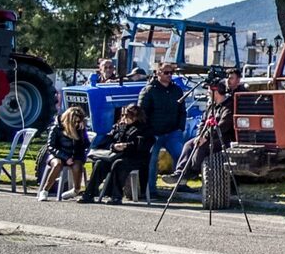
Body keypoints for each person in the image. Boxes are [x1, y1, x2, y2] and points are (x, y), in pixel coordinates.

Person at [167, 78, 233, 191]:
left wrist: (205, 137)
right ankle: (180, 172)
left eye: (209, 90)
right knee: (189, 144)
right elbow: (203, 122)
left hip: (222, 139)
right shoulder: (211, 106)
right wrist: (199, 136)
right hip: (206, 136)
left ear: (216, 92)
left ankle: (192, 171)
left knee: (202, 147)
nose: (207, 93)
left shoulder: (228, 107)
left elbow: (222, 126)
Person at [136, 62, 186, 202]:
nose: (169, 75)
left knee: (181, 155)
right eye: (166, 73)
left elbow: (182, 111)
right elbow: (141, 114)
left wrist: (180, 127)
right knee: (152, 160)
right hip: (154, 133)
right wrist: (148, 131)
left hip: (172, 132)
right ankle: (151, 190)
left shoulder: (177, 90)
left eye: (171, 73)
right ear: (157, 73)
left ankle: (180, 184)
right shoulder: (148, 91)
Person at [81, 104, 147, 204]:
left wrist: (126, 146)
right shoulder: (119, 126)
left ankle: (116, 196)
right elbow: (107, 141)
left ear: (135, 116)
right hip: (115, 154)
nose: (124, 118)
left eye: (127, 115)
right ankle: (89, 194)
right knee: (100, 163)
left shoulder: (143, 128)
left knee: (118, 164)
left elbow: (141, 146)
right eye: (123, 115)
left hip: (135, 158)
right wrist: (113, 146)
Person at [36, 107, 91, 200]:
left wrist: (82, 132)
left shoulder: (80, 129)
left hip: (75, 156)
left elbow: (86, 145)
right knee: (57, 164)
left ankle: (76, 190)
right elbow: (50, 146)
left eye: (78, 121)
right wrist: (65, 157)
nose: (76, 124)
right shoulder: (56, 128)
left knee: (78, 166)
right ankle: (45, 191)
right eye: (75, 121)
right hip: (58, 155)